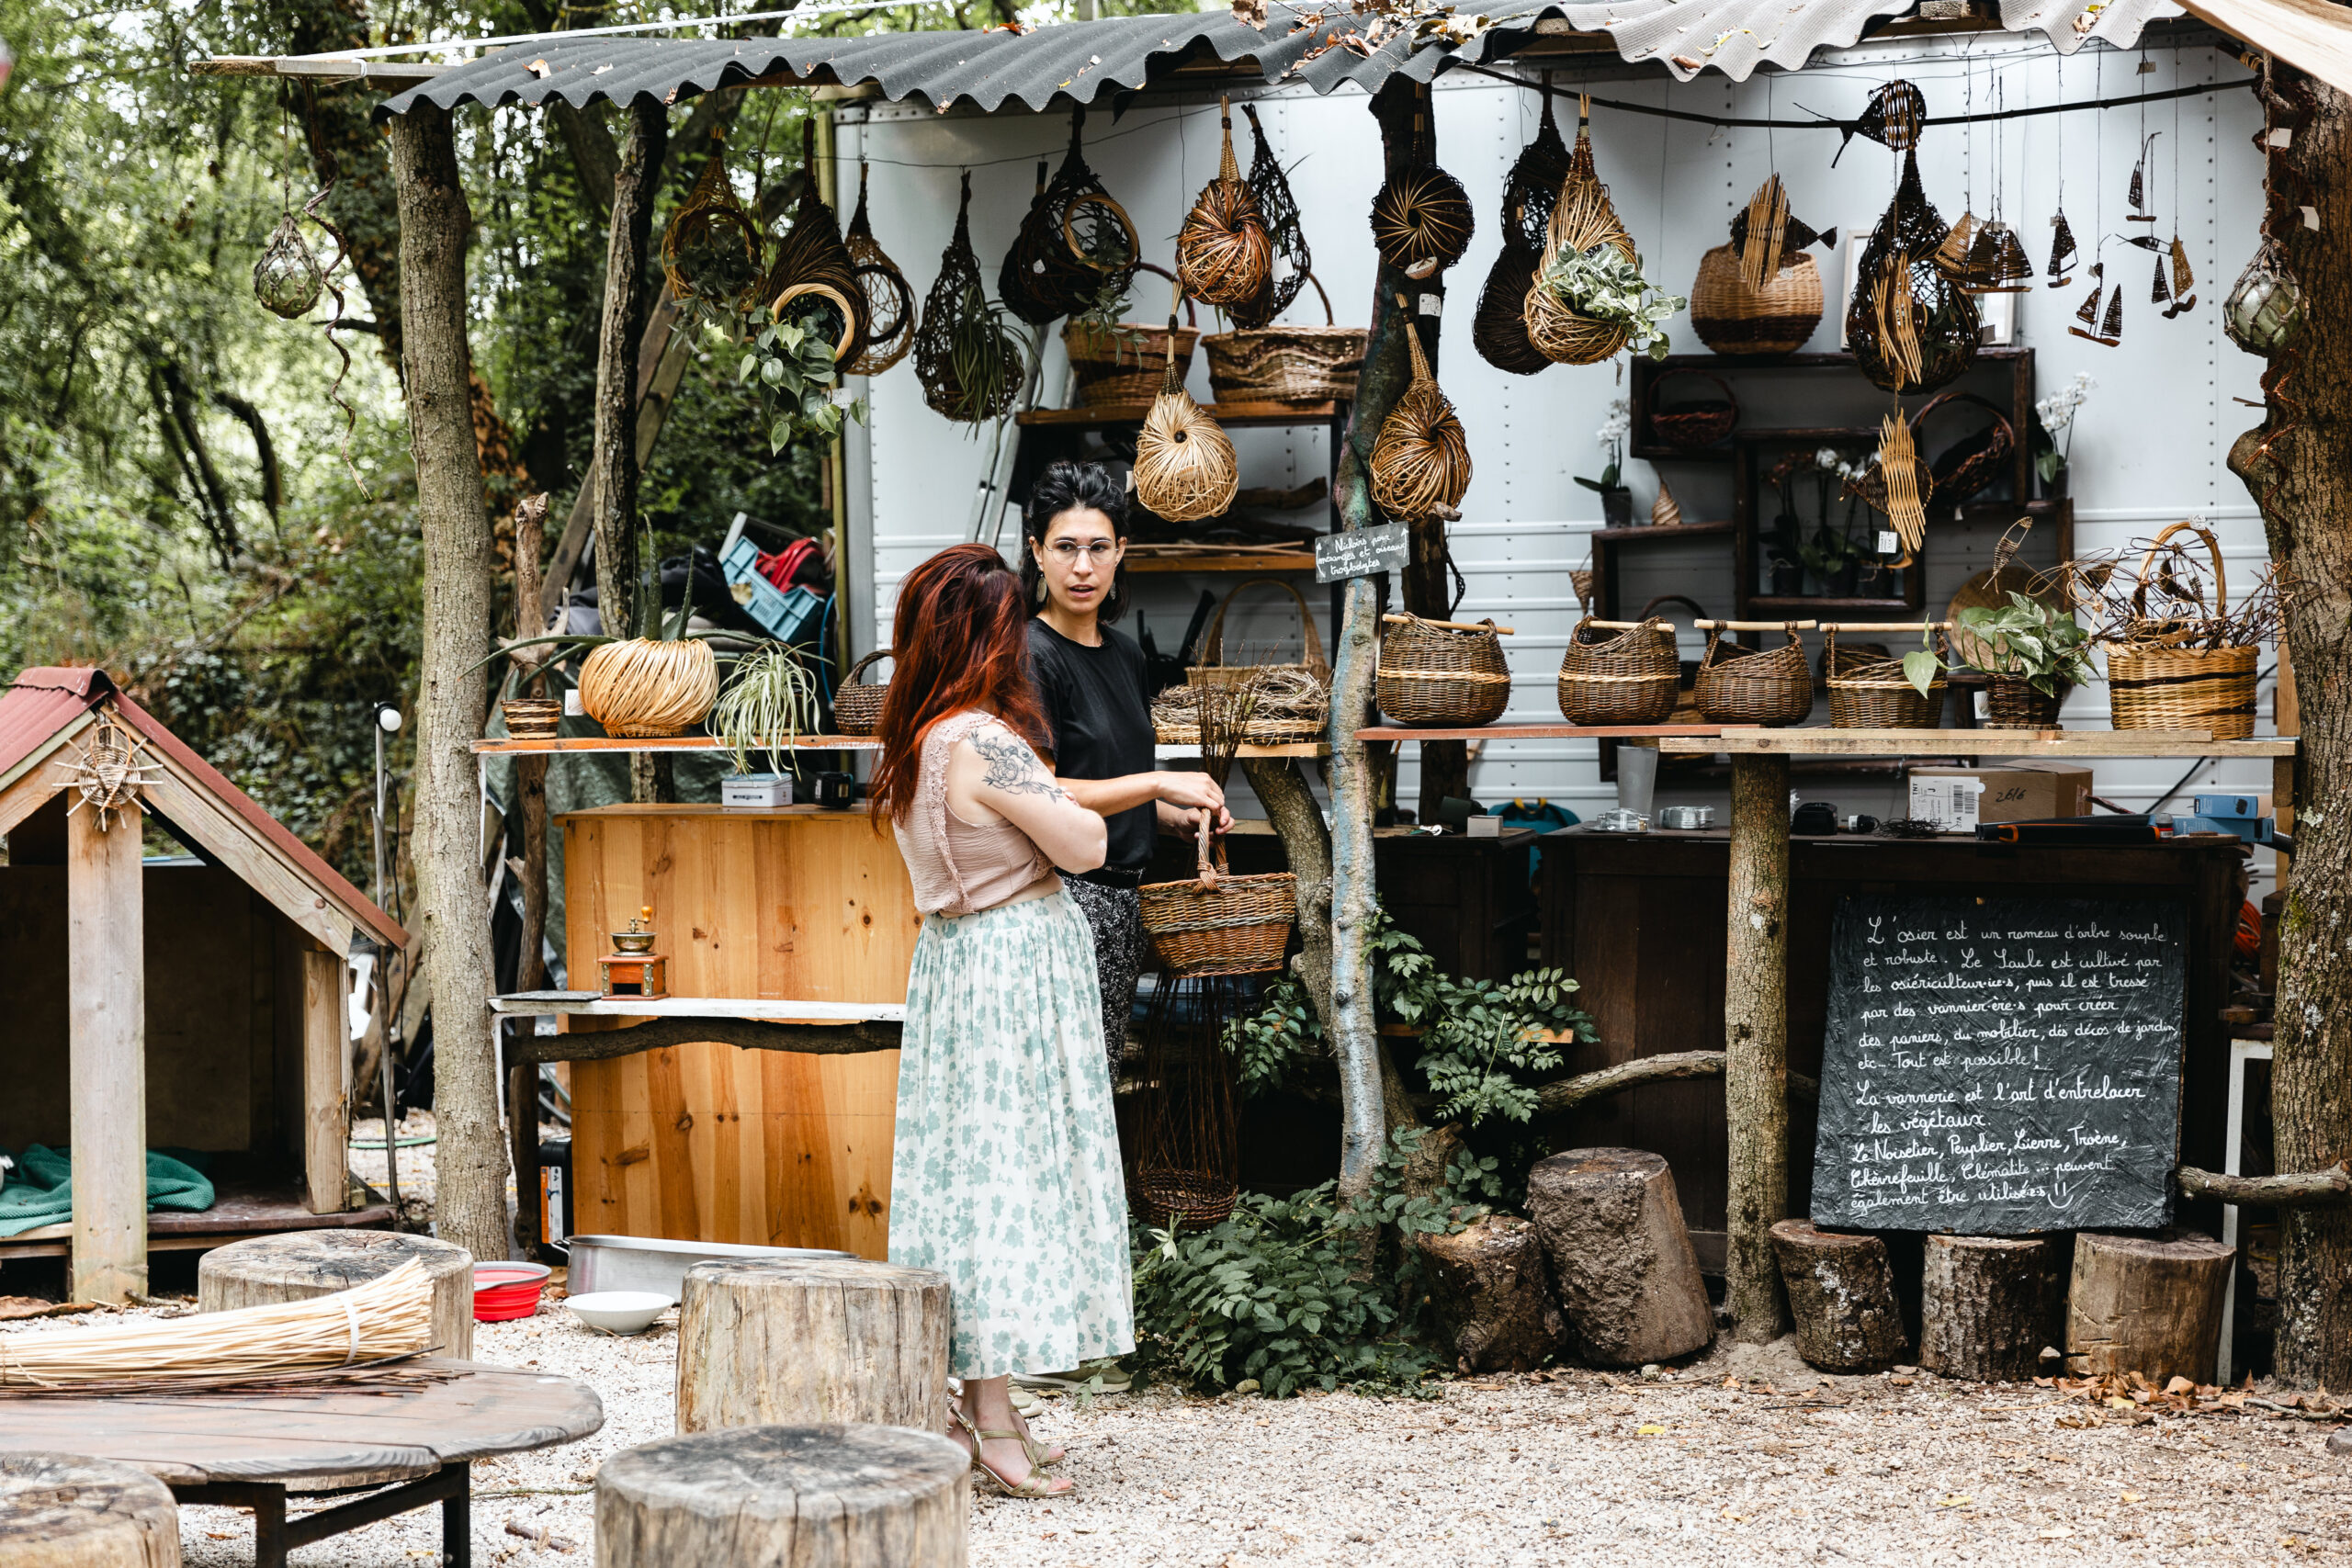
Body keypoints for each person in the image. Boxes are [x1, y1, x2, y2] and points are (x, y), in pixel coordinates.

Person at [869, 542, 1134, 1500]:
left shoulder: (913, 742)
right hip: (1016, 965)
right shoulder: (984, 741)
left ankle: (969, 1400)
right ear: (989, 639)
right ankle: (987, 1414)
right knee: (1010, 1186)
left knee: (964, 1186)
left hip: (952, 972)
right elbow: (1089, 843)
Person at [1020, 459, 1231, 1082]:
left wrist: (1176, 817)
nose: (1081, 567)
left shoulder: (1126, 654)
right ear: (1036, 552)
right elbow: (1040, 790)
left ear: (1121, 552)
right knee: (1066, 1085)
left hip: (1123, 901)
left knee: (1097, 1079)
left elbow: (1113, 783)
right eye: (1064, 547)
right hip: (1062, 901)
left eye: (1097, 548)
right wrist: (1160, 782)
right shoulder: (1031, 655)